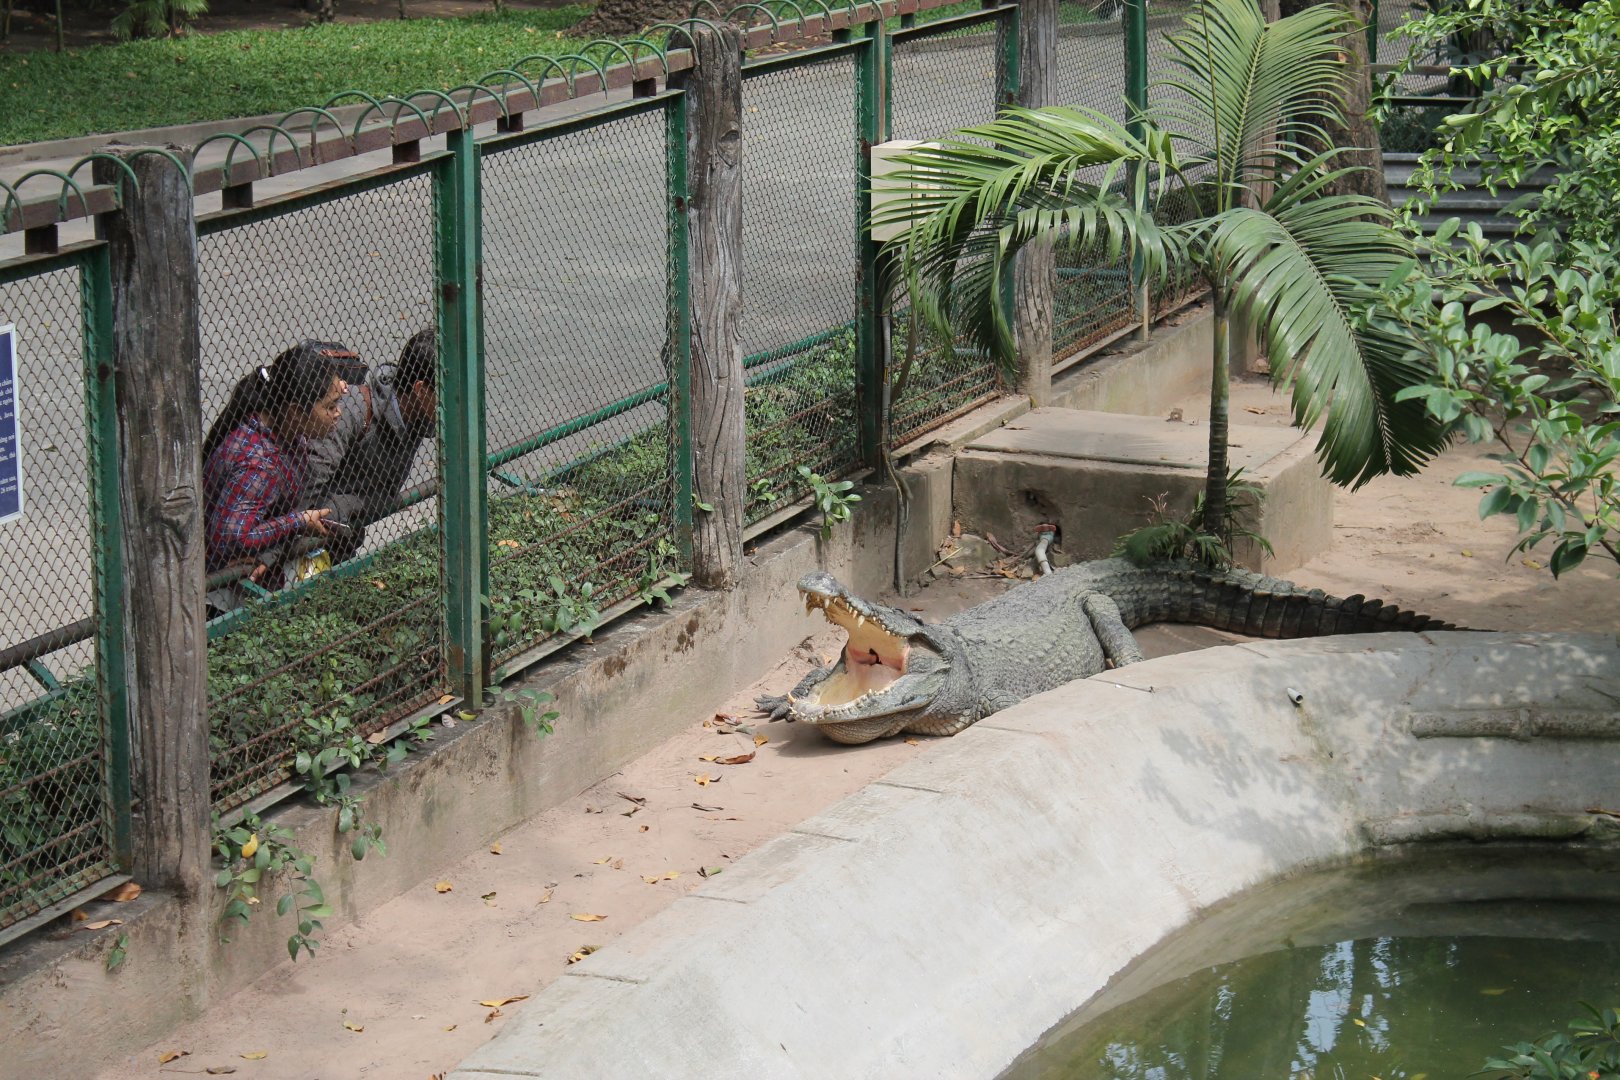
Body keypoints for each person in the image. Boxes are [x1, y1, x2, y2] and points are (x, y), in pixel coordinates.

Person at [202, 341, 349, 612]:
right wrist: (298, 520)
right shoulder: (260, 463)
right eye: (330, 407)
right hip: (217, 596)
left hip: (250, 580)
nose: (338, 413)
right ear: (295, 411)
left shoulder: (286, 434)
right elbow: (232, 536)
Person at [294, 327, 438, 561]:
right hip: (299, 553)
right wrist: (349, 505)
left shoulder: (417, 420)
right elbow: (302, 504)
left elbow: (385, 494)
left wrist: (354, 506)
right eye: (449, 391)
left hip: (340, 547)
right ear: (421, 390)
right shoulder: (350, 413)